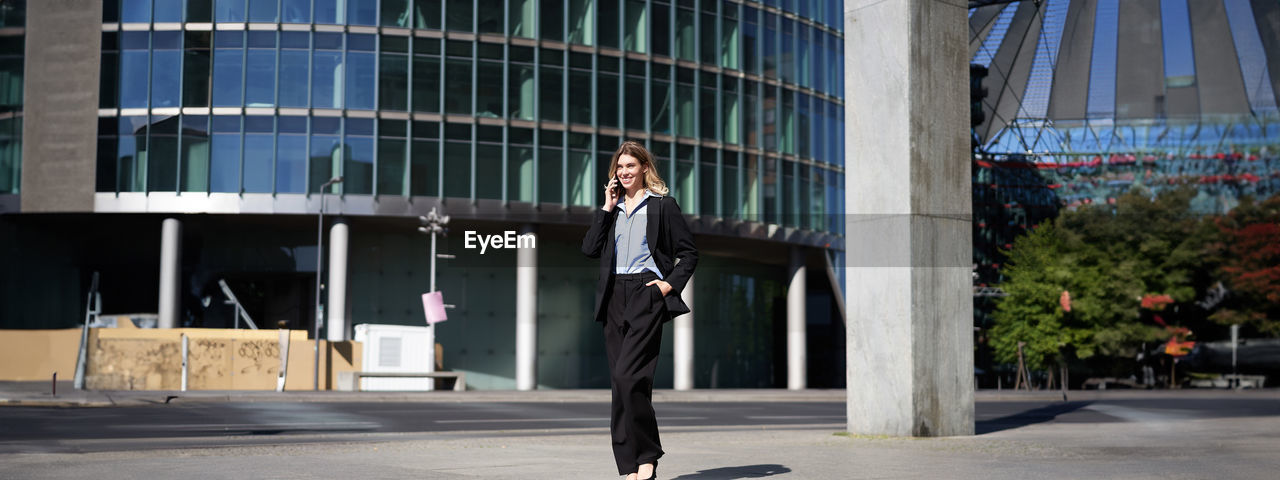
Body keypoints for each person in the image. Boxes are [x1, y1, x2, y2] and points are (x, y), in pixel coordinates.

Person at [581, 141, 698, 480]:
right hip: (613, 295)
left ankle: (647, 454)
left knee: (629, 377)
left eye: (631, 166)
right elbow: (589, 249)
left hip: (647, 292)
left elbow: (689, 254)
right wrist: (606, 207)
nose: (625, 172)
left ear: (645, 167)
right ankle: (628, 465)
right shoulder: (612, 210)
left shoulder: (663, 206)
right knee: (622, 386)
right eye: (620, 167)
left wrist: (666, 285)